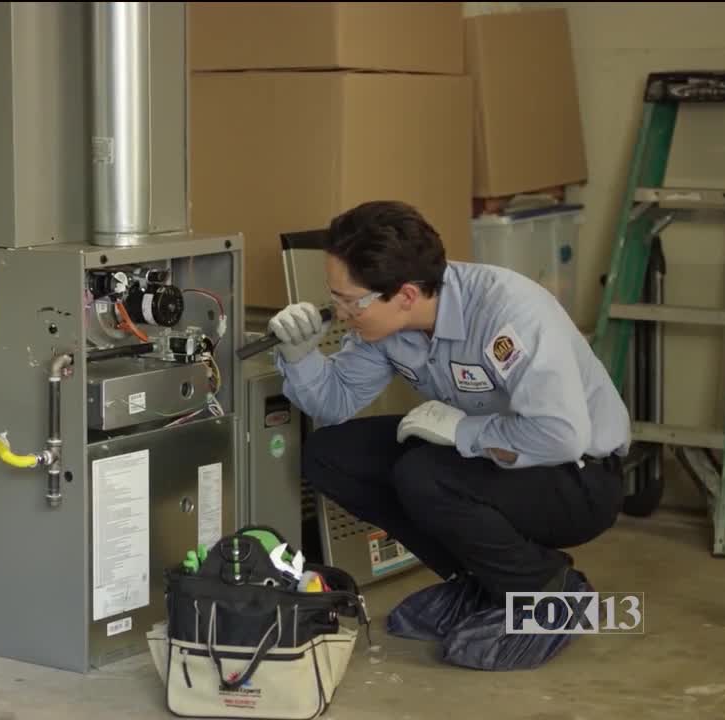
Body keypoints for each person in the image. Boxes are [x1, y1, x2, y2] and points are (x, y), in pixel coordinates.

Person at [268, 200, 630, 671]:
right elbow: (334, 403)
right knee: (331, 455)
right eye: (333, 297)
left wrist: (462, 430)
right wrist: (300, 355)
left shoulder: (507, 312)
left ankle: (545, 589)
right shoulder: (390, 322)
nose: (338, 313)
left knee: (424, 473)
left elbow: (560, 435)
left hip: (579, 477)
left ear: (405, 295)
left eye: (350, 301)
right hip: (497, 457)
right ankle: (478, 580)